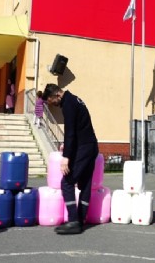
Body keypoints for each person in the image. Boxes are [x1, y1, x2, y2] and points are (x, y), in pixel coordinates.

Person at [42, 83, 99, 234]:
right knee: (85, 184)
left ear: (56, 95)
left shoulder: (68, 104)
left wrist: (66, 157)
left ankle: (73, 221)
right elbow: (78, 129)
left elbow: (70, 132)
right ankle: (81, 220)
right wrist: (66, 146)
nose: (52, 105)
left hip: (84, 148)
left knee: (66, 183)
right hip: (91, 146)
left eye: (50, 101)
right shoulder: (75, 100)